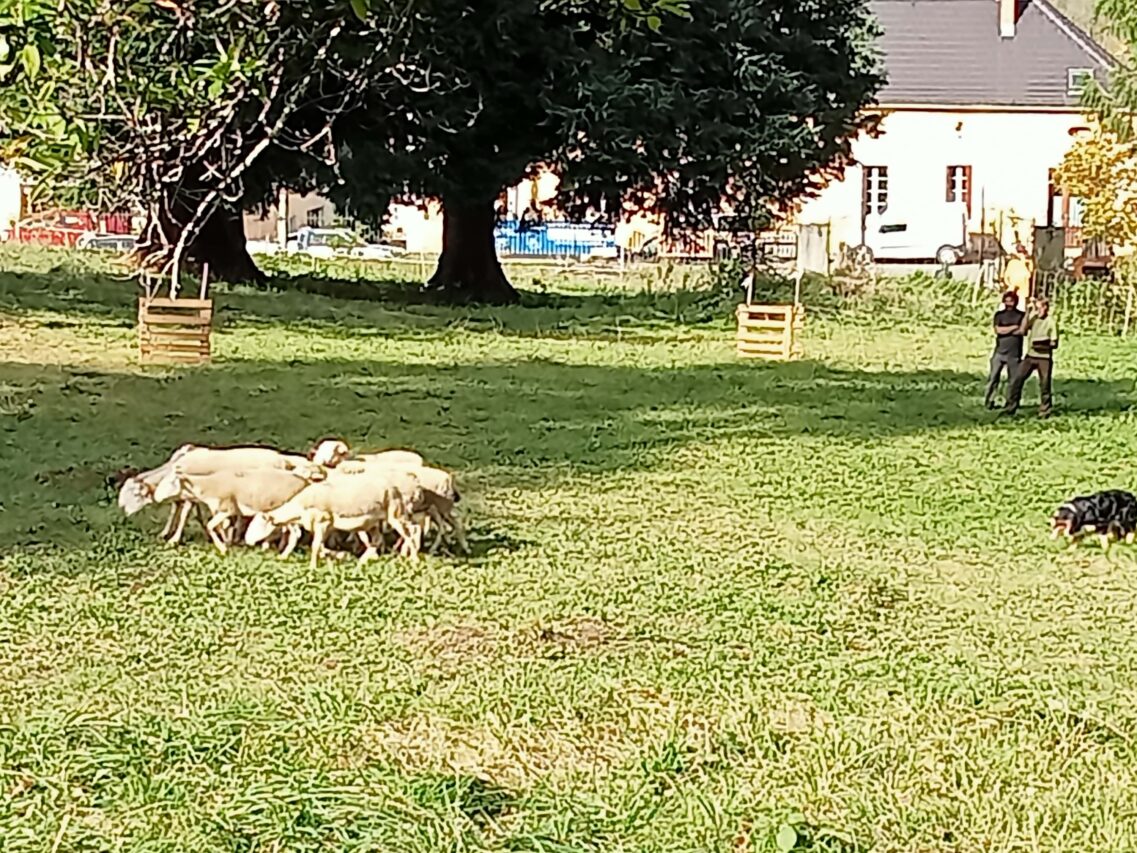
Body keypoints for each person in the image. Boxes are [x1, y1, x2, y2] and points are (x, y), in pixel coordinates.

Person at [1003, 296, 1059, 418]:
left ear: (1045, 308)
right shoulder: (1033, 318)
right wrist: (1028, 312)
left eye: (1039, 308)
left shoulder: (1051, 322)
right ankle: (1011, 406)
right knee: (1017, 379)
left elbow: (1054, 343)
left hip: (1044, 357)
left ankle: (1045, 410)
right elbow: (1023, 330)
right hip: (1030, 356)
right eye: (1036, 308)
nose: (1038, 311)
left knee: (1045, 384)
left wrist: (1043, 344)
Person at [984, 291, 1025, 409]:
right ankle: (989, 401)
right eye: (1006, 301)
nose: (1009, 304)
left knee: (1013, 381)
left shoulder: (1021, 315)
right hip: (999, 352)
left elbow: (1022, 331)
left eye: (1011, 301)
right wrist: (1013, 327)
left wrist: (1006, 330)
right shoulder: (999, 315)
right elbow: (998, 330)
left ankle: (1011, 403)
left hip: (1014, 354)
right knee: (993, 378)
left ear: (1016, 302)